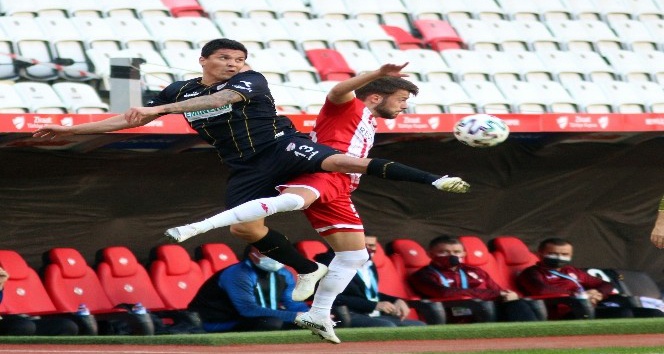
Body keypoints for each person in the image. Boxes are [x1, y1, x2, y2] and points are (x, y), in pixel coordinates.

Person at [33, 39, 468, 342]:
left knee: (335, 161)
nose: (234, 64)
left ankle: (433, 178)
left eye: (239, 58)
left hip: (282, 146)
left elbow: (203, 104)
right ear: (204, 60)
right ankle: (307, 269)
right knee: (246, 230)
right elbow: (130, 119)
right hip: (243, 165)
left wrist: (162, 107)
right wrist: (69, 127)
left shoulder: (250, 81)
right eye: (225, 58)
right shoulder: (181, 88)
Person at [161, 61, 449, 341]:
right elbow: (337, 91)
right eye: (401, 99)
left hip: (343, 185)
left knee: (355, 256)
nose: (404, 106)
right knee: (289, 202)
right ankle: (198, 226)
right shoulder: (351, 105)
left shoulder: (368, 120)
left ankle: (319, 313)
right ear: (375, 96)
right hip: (324, 169)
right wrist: (376, 73)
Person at [517, 237, 664, 319]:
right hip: (567, 312)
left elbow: (605, 284)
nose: (559, 258)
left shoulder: (571, 270)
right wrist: (581, 296)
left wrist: (598, 294)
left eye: (564, 255)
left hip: (592, 307)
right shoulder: (531, 273)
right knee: (623, 314)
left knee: (654, 313)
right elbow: (543, 291)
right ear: (540, 253)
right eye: (554, 254)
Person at [409, 236, 540, 322]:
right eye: (444, 252)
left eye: (457, 252)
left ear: (464, 254)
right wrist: (493, 295)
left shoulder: (474, 271)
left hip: (490, 308)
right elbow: (444, 293)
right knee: (486, 305)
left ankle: (535, 338)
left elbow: (496, 290)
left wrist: (508, 295)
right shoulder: (423, 275)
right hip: (455, 313)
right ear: (430, 254)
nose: (452, 256)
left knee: (523, 302)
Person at [187, 246, 309, 333]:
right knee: (272, 322)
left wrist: (312, 316)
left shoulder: (284, 274)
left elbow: (293, 302)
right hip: (219, 321)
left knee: (307, 323)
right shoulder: (238, 274)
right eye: (268, 253)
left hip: (258, 317)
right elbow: (248, 310)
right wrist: (293, 316)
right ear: (253, 256)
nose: (275, 257)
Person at [314, 236, 426, 328]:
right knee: (387, 326)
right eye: (363, 245)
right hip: (345, 315)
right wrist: (373, 305)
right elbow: (334, 297)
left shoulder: (368, 265)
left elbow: (368, 294)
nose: (368, 249)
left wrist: (396, 300)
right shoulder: (330, 265)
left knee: (419, 326)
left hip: (368, 313)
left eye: (372, 245)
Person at [0, 267, 79, 336]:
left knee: (66, 325)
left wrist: (0, 286)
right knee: (24, 326)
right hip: (12, 322)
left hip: (16, 319)